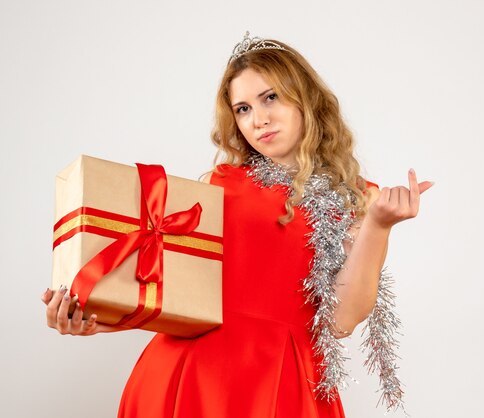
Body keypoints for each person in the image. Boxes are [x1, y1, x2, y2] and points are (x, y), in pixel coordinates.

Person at [41, 31, 434, 417]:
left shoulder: (358, 198)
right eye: (242, 108)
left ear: (307, 99)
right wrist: (94, 319)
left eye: (270, 98)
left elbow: (341, 320)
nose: (258, 119)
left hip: (283, 382)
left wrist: (379, 226)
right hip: (190, 378)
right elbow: (173, 296)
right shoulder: (217, 186)